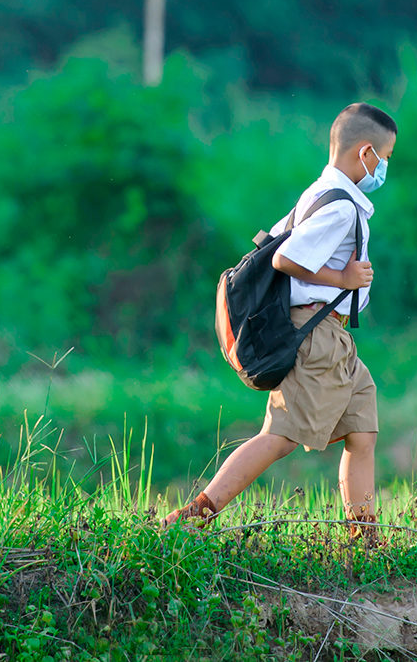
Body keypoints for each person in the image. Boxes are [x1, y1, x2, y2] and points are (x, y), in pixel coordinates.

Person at [163, 103, 395, 542]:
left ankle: (364, 541)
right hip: (318, 336)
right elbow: (285, 257)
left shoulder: (320, 193)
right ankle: (195, 515)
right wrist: (343, 278)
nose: (384, 167)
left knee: (362, 431)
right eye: (384, 157)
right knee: (281, 436)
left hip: (336, 339)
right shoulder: (340, 207)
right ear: (365, 153)